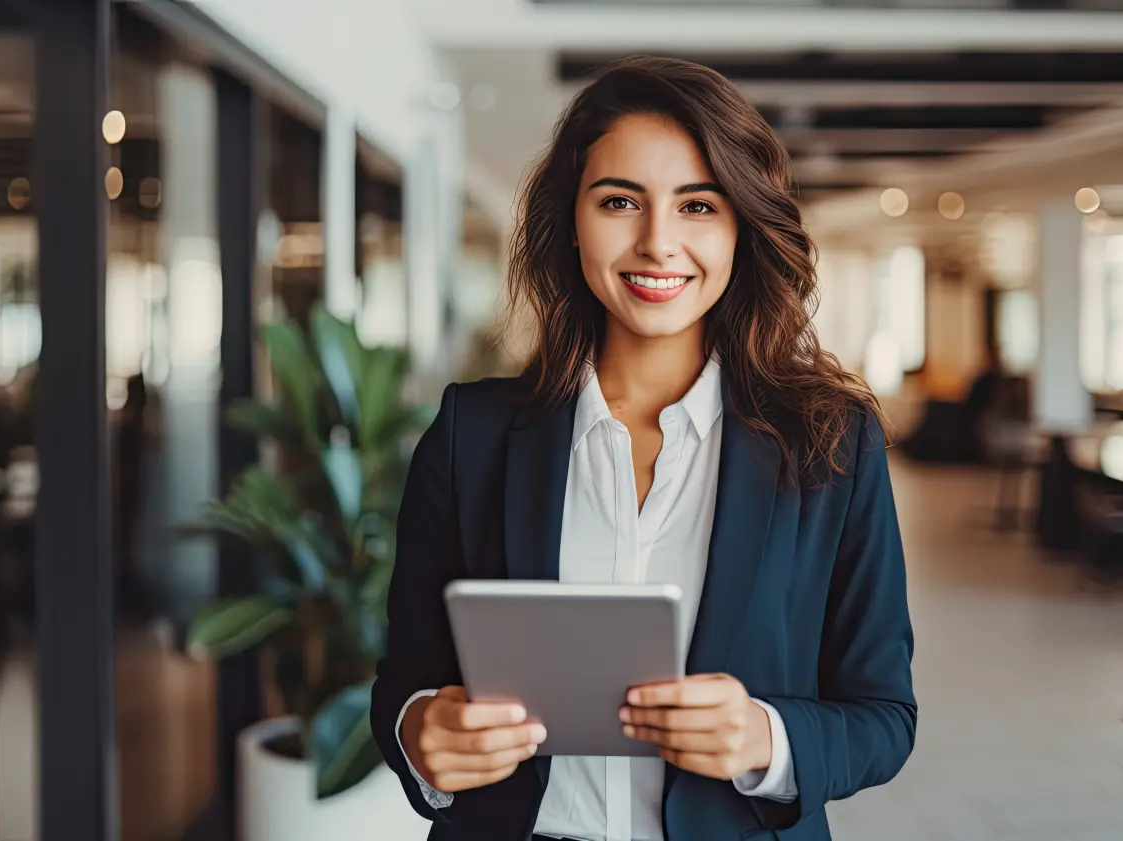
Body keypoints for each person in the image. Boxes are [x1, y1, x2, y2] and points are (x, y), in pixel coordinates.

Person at [370, 56, 916, 841]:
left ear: (741, 228)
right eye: (620, 201)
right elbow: (404, 686)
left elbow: (883, 715)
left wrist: (766, 737)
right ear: (571, 222)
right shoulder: (471, 436)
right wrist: (424, 734)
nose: (659, 243)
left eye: (698, 205)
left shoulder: (830, 443)